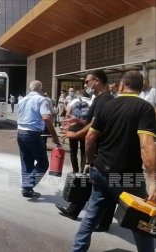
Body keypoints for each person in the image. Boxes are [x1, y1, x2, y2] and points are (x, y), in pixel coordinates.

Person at [72, 70, 156, 252]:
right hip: (127, 177)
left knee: (91, 216)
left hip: (101, 170)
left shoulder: (106, 106)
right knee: (141, 219)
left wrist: (89, 162)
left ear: (121, 85)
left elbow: (90, 138)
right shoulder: (145, 108)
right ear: (141, 88)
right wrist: (153, 179)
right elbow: (146, 145)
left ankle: (77, 249)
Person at [56, 69, 114, 223]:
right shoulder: (98, 99)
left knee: (98, 184)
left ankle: (98, 219)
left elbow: (95, 126)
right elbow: (89, 122)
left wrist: (75, 135)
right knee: (90, 182)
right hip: (96, 148)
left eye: (88, 81)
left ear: (97, 80)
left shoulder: (105, 100)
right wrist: (77, 121)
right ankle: (75, 211)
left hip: (99, 148)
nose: (86, 84)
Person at [17, 80, 60, 198]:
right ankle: (27, 186)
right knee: (43, 163)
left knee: (27, 161)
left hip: (20, 133)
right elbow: (46, 118)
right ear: (41, 89)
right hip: (32, 134)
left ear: (30, 89)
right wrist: (55, 137)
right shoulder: (41, 99)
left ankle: (27, 189)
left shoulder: (22, 100)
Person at [64, 90, 91, 173]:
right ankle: (82, 170)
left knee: (73, 151)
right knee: (83, 150)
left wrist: (66, 127)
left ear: (79, 94)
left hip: (73, 127)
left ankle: (75, 170)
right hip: (84, 128)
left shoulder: (74, 101)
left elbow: (68, 114)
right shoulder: (91, 102)